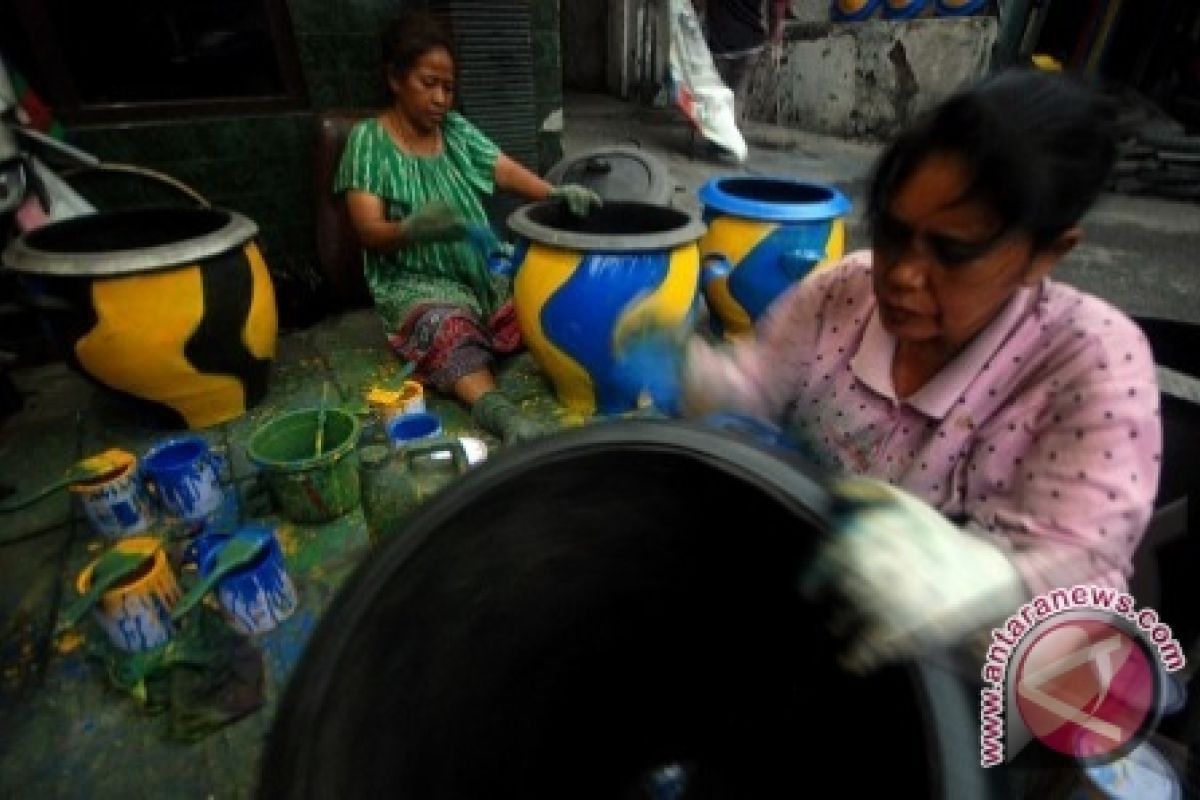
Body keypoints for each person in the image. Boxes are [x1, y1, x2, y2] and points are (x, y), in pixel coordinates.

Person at [639, 69, 1162, 671]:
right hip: (822, 627)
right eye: (892, 231)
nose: (903, 275)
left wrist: (985, 578)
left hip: (989, 686)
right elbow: (756, 383)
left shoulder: (1092, 360)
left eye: (954, 252)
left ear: (1046, 253)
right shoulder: (843, 292)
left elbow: (1081, 571)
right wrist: (696, 375)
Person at [336, 12, 601, 445]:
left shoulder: (454, 130)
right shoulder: (368, 141)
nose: (441, 98)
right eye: (428, 83)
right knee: (447, 332)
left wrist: (554, 194)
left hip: (481, 272)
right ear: (395, 78)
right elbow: (367, 230)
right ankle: (502, 417)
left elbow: (506, 171)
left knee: (542, 297)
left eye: (449, 87)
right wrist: (413, 229)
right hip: (416, 282)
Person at [695, 0, 788, 121]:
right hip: (750, 45)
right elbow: (776, 7)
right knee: (737, 98)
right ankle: (731, 132)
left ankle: (719, 133)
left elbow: (697, 4)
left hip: (719, 45)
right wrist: (775, 37)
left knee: (715, 99)